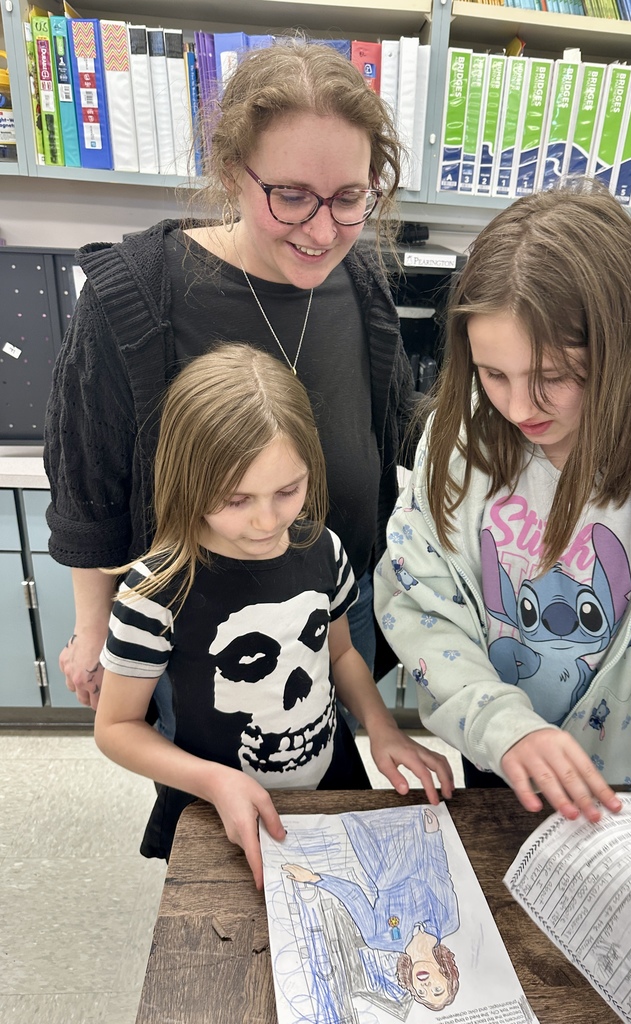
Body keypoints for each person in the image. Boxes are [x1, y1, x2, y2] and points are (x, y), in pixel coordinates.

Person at [374, 179, 631, 837]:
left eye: (552, 378)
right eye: (493, 375)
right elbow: (419, 605)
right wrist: (503, 726)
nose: (521, 407)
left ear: (621, 350)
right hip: (504, 761)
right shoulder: (458, 446)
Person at [44, 40, 414, 717]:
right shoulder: (136, 296)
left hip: (335, 613)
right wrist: (92, 625)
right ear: (231, 171)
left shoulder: (362, 286)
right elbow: (87, 485)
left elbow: (387, 434)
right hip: (194, 631)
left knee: (321, 783)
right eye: (292, 195)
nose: (323, 229)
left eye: (349, 198)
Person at [93, 345, 453, 887]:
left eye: (288, 490)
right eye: (236, 500)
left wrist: (382, 728)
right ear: (187, 482)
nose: (267, 520)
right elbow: (117, 727)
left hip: (332, 788)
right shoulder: (154, 591)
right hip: (212, 810)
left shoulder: (323, 549)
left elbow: (341, 654)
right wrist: (214, 783)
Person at [282, 806, 459, 1010]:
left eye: (421, 993)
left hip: (376, 849)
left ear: (411, 983)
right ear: (445, 972)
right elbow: (440, 874)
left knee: (352, 804)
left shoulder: (378, 938)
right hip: (416, 836)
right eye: (437, 989)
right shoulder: (449, 920)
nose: (426, 986)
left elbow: (353, 895)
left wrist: (314, 879)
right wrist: (433, 835)